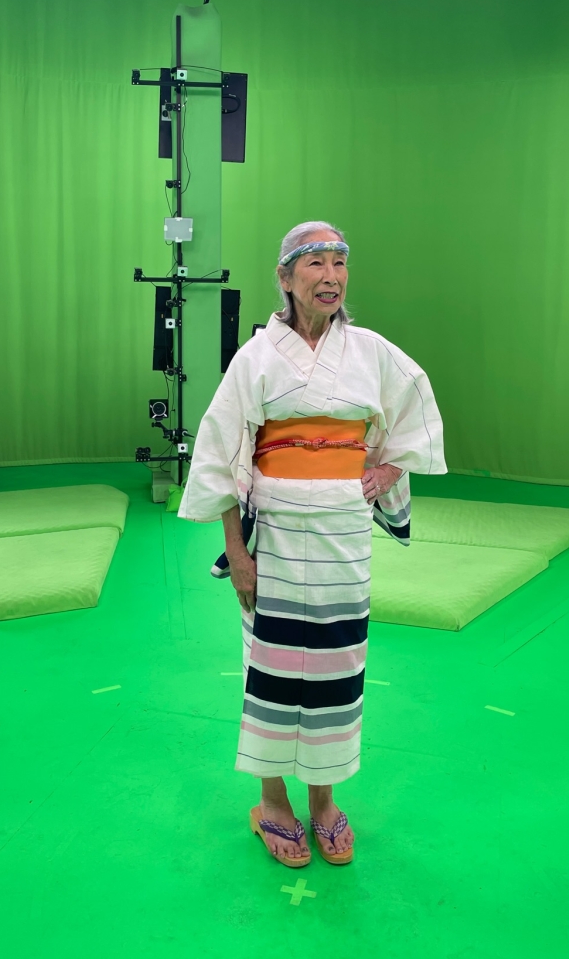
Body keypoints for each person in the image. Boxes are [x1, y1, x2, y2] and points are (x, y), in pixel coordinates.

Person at [177, 221, 446, 867]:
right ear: (285, 277)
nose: (330, 276)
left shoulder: (371, 351)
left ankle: (323, 802)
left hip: (342, 536)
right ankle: (272, 801)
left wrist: (386, 472)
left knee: (335, 668)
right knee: (268, 670)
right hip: (274, 534)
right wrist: (237, 554)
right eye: (315, 263)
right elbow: (224, 454)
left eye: (339, 263)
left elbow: (411, 412)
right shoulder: (256, 358)